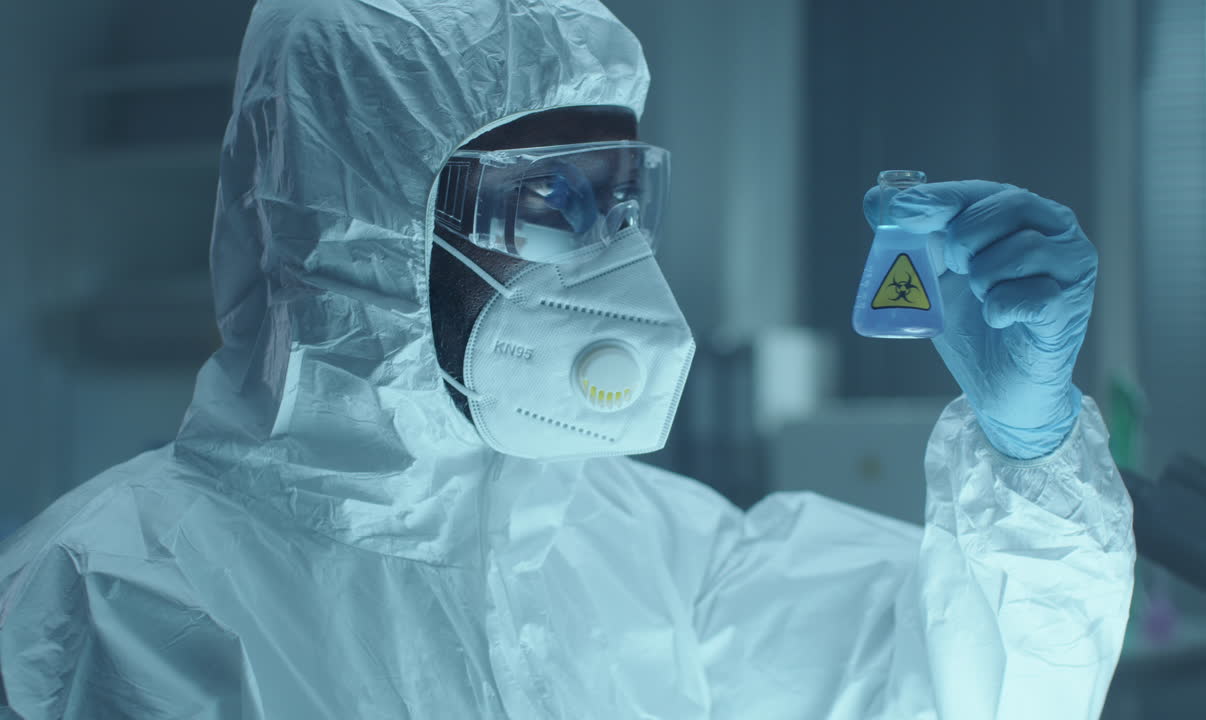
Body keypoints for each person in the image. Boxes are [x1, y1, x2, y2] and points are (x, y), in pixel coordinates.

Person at [0, 0, 1134, 718]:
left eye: (620, 197)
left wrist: (1025, 446)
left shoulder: (647, 549)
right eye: (548, 201)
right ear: (359, 229)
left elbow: (971, 691)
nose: (610, 259)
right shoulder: (114, 600)